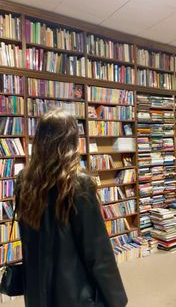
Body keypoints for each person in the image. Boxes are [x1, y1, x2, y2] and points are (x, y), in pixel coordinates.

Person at [15, 108, 128, 307]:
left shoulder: (24, 180)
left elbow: (27, 240)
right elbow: (97, 252)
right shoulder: (78, 184)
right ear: (71, 141)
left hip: (36, 290)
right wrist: (116, 300)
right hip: (73, 294)